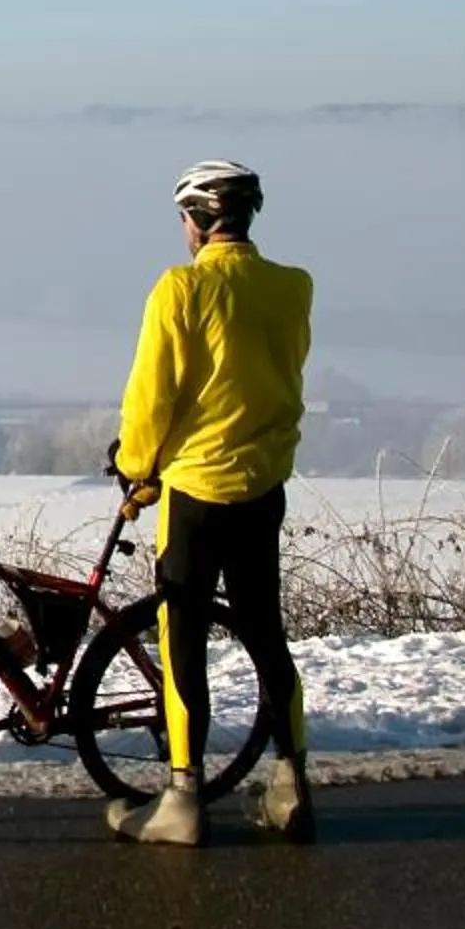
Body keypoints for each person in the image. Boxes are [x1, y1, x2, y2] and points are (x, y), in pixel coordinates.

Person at [105, 159, 316, 847]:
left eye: (184, 220)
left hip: (195, 492)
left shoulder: (180, 291)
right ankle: (290, 785)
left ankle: (183, 800)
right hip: (264, 489)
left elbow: (152, 396)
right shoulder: (292, 289)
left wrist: (134, 467)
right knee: (264, 632)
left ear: (197, 220)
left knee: (184, 640)